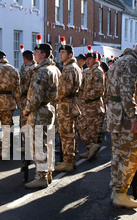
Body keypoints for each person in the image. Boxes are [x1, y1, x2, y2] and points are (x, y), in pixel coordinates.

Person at [105, 39, 137, 209]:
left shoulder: (120, 61)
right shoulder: (131, 63)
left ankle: (116, 190)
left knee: (118, 153)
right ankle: (120, 193)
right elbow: (127, 93)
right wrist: (133, 118)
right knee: (129, 156)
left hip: (115, 114)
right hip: (124, 117)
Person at [22, 35, 59, 189]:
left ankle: (41, 176)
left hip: (39, 111)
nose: (34, 54)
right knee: (46, 142)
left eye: (37, 52)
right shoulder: (54, 68)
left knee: (39, 144)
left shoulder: (42, 71)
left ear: (43, 54)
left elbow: (36, 95)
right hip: (48, 108)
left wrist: (27, 109)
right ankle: (48, 172)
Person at [54, 37, 82, 172]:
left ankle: (68, 161)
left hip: (67, 104)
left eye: (63, 53)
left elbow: (65, 89)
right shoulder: (72, 67)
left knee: (66, 134)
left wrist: (55, 95)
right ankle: (69, 159)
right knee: (69, 133)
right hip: (69, 104)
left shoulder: (69, 68)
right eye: (60, 53)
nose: (61, 55)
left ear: (70, 55)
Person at [78, 46, 105, 161]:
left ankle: (92, 151)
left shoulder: (98, 72)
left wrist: (86, 96)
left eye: (90, 59)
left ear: (95, 60)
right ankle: (90, 148)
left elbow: (99, 90)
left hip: (93, 105)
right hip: (86, 105)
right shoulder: (86, 71)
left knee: (92, 130)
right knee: (84, 128)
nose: (88, 61)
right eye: (87, 59)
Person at [0, 49, 20, 159]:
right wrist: (16, 102)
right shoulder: (13, 70)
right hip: (8, 101)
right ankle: (6, 150)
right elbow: (18, 89)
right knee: (7, 127)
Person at [19, 49, 36, 131]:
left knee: (25, 125)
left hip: (26, 99)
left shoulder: (28, 69)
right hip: (34, 99)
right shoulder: (37, 67)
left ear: (25, 58)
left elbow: (24, 87)